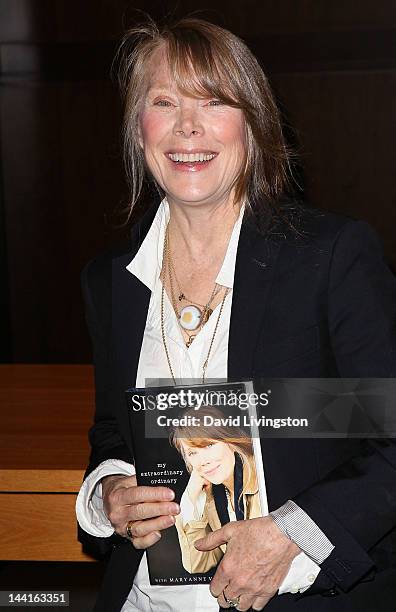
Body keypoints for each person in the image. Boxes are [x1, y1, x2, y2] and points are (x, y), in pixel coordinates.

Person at [75, 15, 396, 612]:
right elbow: (114, 429)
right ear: (137, 128)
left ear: (253, 126)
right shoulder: (112, 282)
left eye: (214, 101)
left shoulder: (329, 260)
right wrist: (110, 490)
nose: (187, 127)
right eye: (164, 101)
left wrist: (291, 533)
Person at [170, 406, 261, 574]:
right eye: (192, 453)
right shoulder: (212, 498)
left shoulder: (262, 476)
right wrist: (190, 498)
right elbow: (197, 565)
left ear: (230, 440)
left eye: (209, 445)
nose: (203, 461)